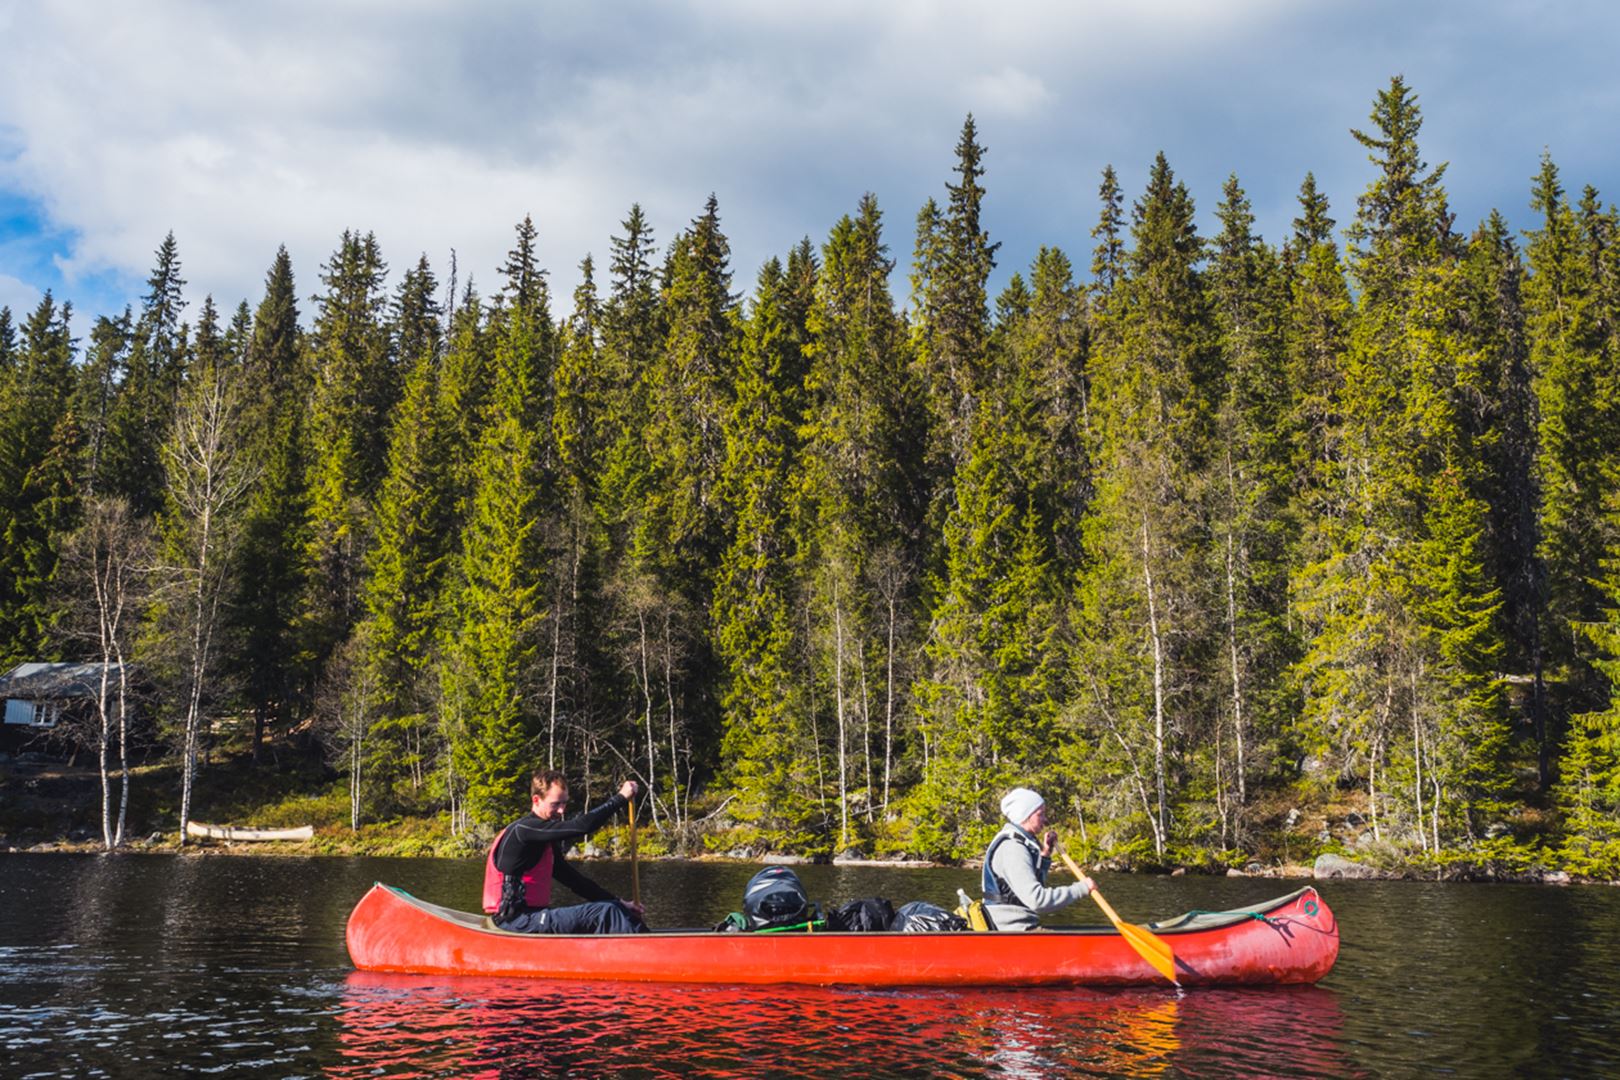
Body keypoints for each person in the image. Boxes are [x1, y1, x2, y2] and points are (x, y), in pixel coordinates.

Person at [483, 770, 647, 934]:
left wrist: (619, 902)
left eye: (564, 803)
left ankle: (648, 942)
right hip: (514, 921)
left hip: (531, 918)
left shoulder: (542, 838)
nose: (562, 811)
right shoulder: (524, 830)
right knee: (606, 912)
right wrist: (620, 798)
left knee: (614, 908)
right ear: (536, 800)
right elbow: (582, 826)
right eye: (555, 804)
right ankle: (649, 950)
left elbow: (574, 880)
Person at [981, 787, 1095, 932]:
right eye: (1040, 814)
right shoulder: (1012, 848)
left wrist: (1045, 854)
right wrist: (1081, 889)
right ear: (1026, 815)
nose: (1045, 820)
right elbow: (1037, 900)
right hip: (1010, 929)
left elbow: (1033, 886)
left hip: (1019, 925)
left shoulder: (1019, 843)